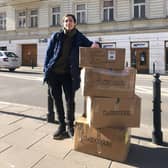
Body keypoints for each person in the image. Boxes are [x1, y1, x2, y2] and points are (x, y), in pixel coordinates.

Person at [43, 14, 99, 140]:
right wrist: (46, 71)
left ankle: (70, 126)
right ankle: (61, 126)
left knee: (70, 101)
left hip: (69, 75)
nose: (68, 23)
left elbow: (91, 45)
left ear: (75, 23)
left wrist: (97, 44)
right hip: (54, 74)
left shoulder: (79, 37)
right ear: (63, 23)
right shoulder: (56, 36)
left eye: (71, 21)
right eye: (66, 21)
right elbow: (48, 54)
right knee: (57, 100)